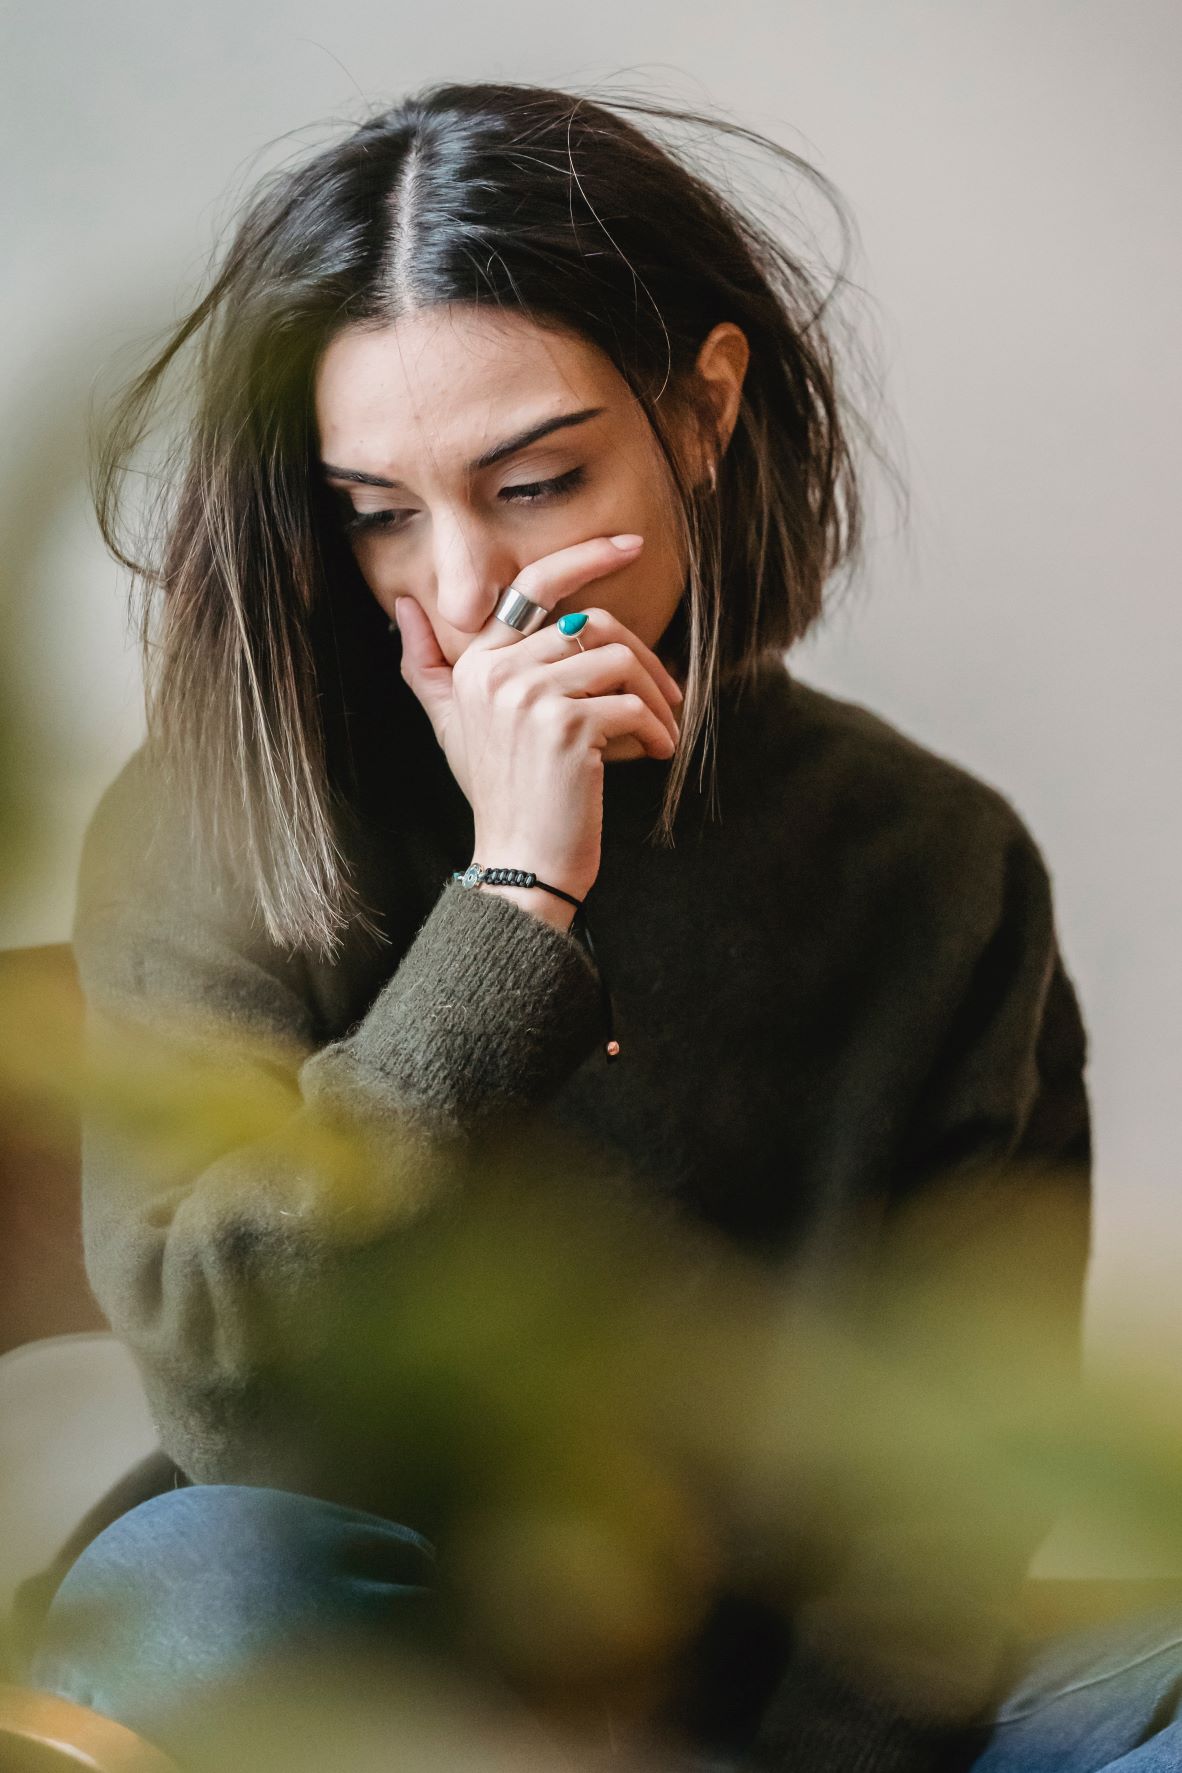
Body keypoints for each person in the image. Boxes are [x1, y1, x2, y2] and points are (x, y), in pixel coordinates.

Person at [17, 77, 1182, 1773]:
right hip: (346, 1642)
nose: (468, 589)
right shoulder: (226, 812)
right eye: (378, 513)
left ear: (704, 410)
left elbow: (937, 1508)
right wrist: (513, 897)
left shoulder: (935, 864)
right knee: (208, 1577)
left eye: (541, 480)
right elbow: (239, 1408)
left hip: (770, 1694)